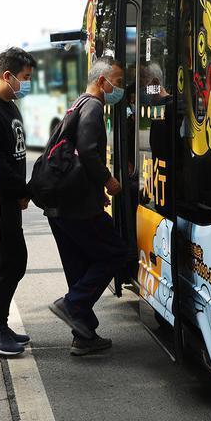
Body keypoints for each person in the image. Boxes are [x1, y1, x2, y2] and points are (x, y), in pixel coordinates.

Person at [46, 56, 127, 356]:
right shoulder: (93, 106)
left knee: (79, 269)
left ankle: (84, 335)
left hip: (62, 205)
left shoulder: (78, 104)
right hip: (76, 206)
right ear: (102, 80)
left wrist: (95, 191)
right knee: (115, 252)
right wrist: (108, 181)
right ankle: (71, 304)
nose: (118, 88)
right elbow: (88, 152)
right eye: (117, 82)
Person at [0, 47, 36, 356]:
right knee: (9, 261)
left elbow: (16, 156)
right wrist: (22, 189)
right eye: (25, 78)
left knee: (13, 260)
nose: (26, 84)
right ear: (7, 75)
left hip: (11, 199)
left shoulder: (9, 106)